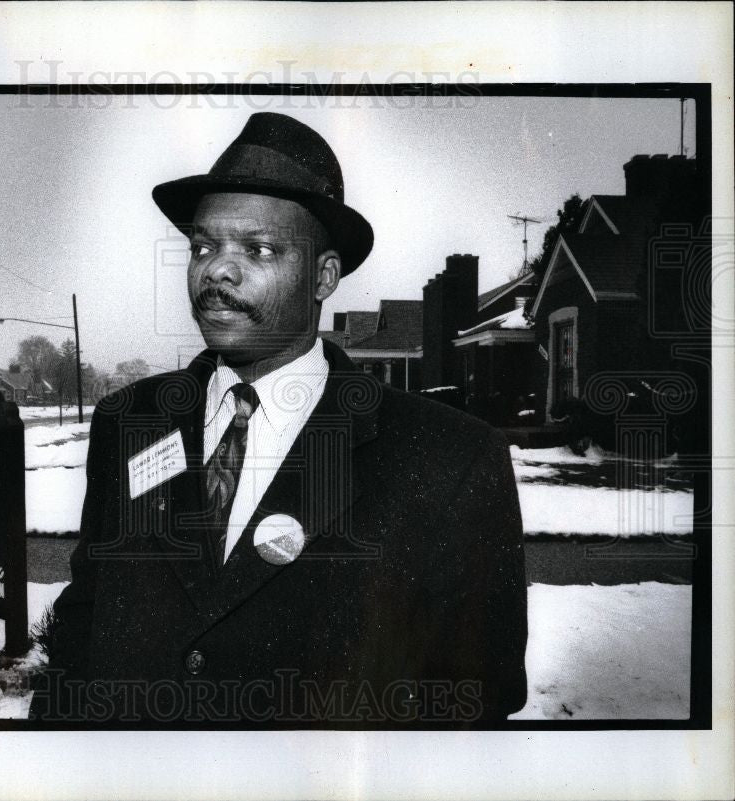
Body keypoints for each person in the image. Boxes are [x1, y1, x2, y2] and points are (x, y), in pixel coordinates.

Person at [30, 112, 527, 725]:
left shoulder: (449, 457)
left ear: (324, 277)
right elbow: (84, 623)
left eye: (259, 249)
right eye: (203, 246)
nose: (216, 270)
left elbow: (475, 699)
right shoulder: (128, 420)